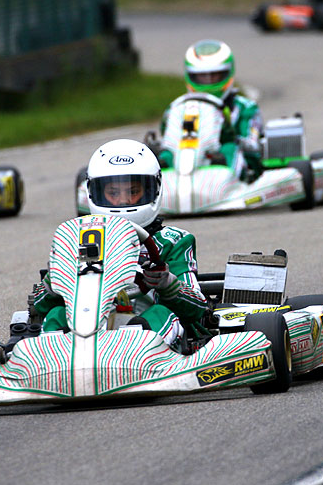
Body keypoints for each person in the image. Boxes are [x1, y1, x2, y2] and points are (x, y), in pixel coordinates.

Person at [32, 139, 210, 354]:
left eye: (132, 192)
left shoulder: (172, 241)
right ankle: (49, 358)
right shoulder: (77, 239)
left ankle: (141, 356)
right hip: (82, 325)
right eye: (113, 193)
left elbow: (198, 309)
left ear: (153, 190)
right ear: (95, 192)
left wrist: (167, 284)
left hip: (143, 330)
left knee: (162, 313)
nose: (123, 201)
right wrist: (54, 280)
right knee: (56, 315)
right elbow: (39, 307)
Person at [156, 39, 264, 182]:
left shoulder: (245, 108)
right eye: (202, 77)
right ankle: (161, 184)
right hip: (186, 160)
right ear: (191, 76)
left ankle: (226, 177)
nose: (208, 82)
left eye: (215, 76)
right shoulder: (176, 109)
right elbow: (167, 138)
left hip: (228, 165)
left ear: (228, 74)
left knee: (231, 147)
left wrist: (231, 137)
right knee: (166, 154)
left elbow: (252, 145)